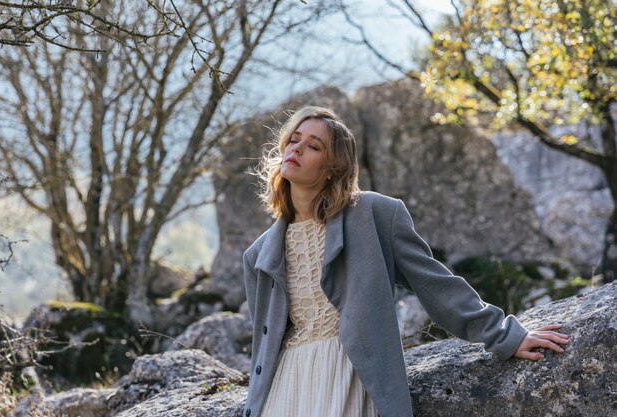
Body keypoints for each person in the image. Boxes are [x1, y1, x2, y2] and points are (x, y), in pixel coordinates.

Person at [241, 106, 569, 417]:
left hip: (348, 370)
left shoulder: (374, 215)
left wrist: (505, 335)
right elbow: (265, 342)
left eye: (313, 146)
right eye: (293, 140)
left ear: (333, 168)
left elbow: (435, 284)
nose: (295, 149)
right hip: (285, 384)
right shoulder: (258, 255)